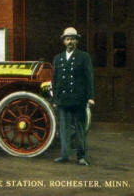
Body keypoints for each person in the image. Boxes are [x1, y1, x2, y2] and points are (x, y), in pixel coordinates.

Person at [52, 27, 95, 166]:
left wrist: (90, 97)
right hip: (63, 100)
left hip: (78, 99)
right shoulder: (58, 58)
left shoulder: (84, 57)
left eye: (73, 39)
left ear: (77, 41)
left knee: (80, 129)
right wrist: (55, 99)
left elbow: (89, 78)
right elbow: (55, 80)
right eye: (68, 39)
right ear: (63, 41)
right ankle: (64, 155)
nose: (70, 41)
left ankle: (81, 157)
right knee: (64, 129)